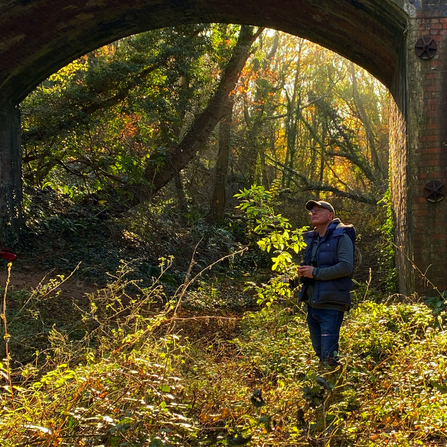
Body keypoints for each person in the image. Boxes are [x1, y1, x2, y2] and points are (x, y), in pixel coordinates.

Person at [297, 200, 355, 366]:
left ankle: (334, 387)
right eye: (312, 211)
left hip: (331, 305)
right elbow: (311, 269)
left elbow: (345, 266)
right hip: (313, 304)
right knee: (320, 354)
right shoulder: (312, 239)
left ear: (331, 216)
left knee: (329, 357)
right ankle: (324, 388)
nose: (314, 213)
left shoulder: (342, 235)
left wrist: (315, 273)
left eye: (319, 210)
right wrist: (303, 274)